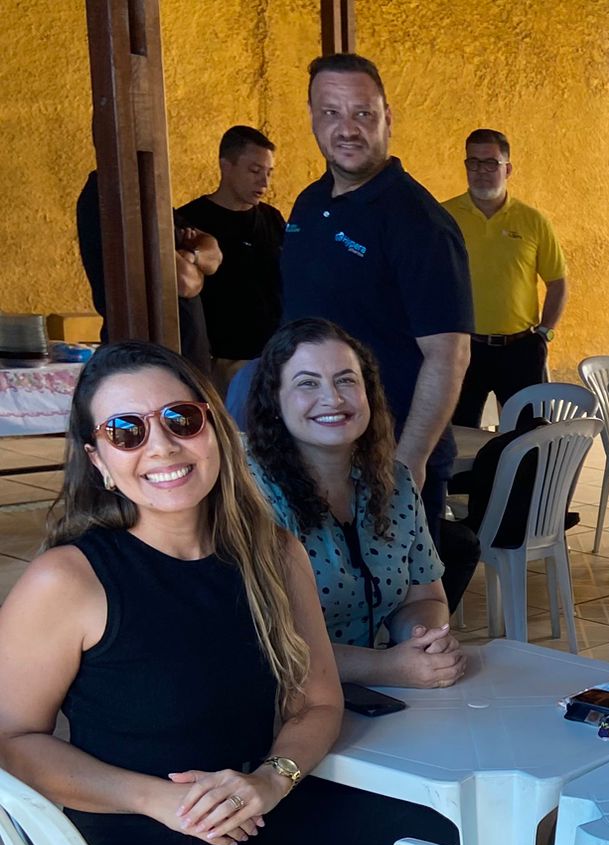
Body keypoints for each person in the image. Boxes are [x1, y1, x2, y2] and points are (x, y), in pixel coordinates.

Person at [0, 341, 480, 845]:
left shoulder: (269, 553)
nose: (160, 446)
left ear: (214, 430)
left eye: (179, 419)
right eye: (126, 431)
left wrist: (270, 779)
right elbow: (10, 741)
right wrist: (155, 799)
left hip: (256, 814)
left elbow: (317, 705)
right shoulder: (70, 580)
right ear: (98, 460)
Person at [281, 52, 474, 567]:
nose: (347, 128)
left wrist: (407, 464)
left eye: (363, 113)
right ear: (312, 117)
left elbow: (449, 355)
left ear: (387, 118)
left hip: (384, 460)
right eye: (331, 112)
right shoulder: (308, 204)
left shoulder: (419, 224)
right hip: (307, 453)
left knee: (401, 601)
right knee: (313, 598)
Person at [245, 318, 468, 686]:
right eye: (307, 383)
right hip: (279, 700)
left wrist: (424, 640)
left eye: (346, 380)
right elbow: (262, 643)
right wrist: (388, 667)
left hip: (369, 698)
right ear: (275, 402)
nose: (332, 398)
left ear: (368, 393)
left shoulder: (395, 482)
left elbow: (424, 598)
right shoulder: (249, 494)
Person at [444, 129, 568, 428]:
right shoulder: (443, 217)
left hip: (521, 349)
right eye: (473, 162)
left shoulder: (532, 221)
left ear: (508, 169)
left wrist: (545, 333)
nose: (481, 171)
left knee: (529, 436)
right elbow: (423, 281)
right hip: (463, 347)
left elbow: (557, 282)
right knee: (457, 435)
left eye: (491, 163)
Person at [175, 125, 286, 394]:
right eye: (255, 171)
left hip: (276, 357)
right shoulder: (192, 222)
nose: (264, 182)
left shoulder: (272, 219)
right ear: (226, 166)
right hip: (221, 363)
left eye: (269, 173)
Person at [76, 170, 219, 378]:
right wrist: (192, 261)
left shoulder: (148, 192)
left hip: (186, 356)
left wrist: (191, 255)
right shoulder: (111, 195)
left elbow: (214, 255)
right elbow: (183, 282)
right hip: (149, 358)